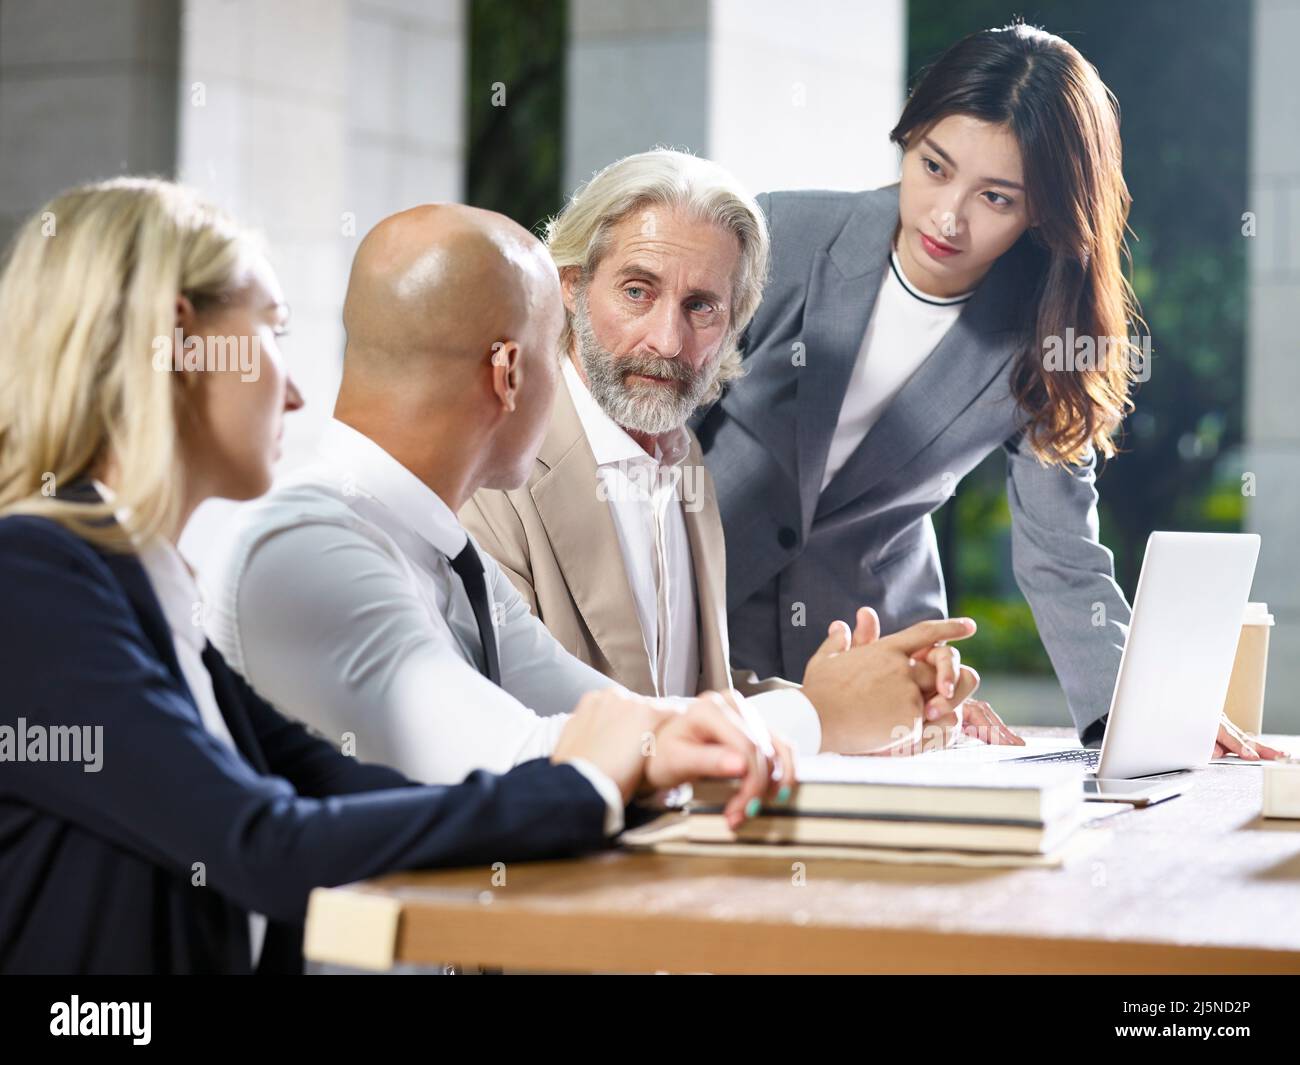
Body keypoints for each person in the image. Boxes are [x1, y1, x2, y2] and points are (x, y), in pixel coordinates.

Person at [0, 178, 784, 975]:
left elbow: (346, 789)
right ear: (181, 343)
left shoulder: (137, 583)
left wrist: (655, 746)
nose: (298, 390)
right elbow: (265, 845)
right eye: (272, 331)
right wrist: (592, 780)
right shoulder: (33, 581)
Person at [693, 23, 1285, 761]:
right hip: (693, 625)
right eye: (934, 166)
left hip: (877, 668)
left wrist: (1133, 716)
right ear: (908, 135)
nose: (948, 216)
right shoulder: (777, 234)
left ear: (1045, 210)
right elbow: (655, 439)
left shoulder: (1045, 337)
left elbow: (1061, 553)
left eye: (996, 198)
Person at [463, 148, 1017, 753]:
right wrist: (815, 716)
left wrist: (887, 701)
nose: (668, 341)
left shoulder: (683, 460)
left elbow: (690, 701)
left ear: (735, 323)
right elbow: (527, 730)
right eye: (636, 291)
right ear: (571, 287)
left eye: (701, 307)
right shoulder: (492, 472)